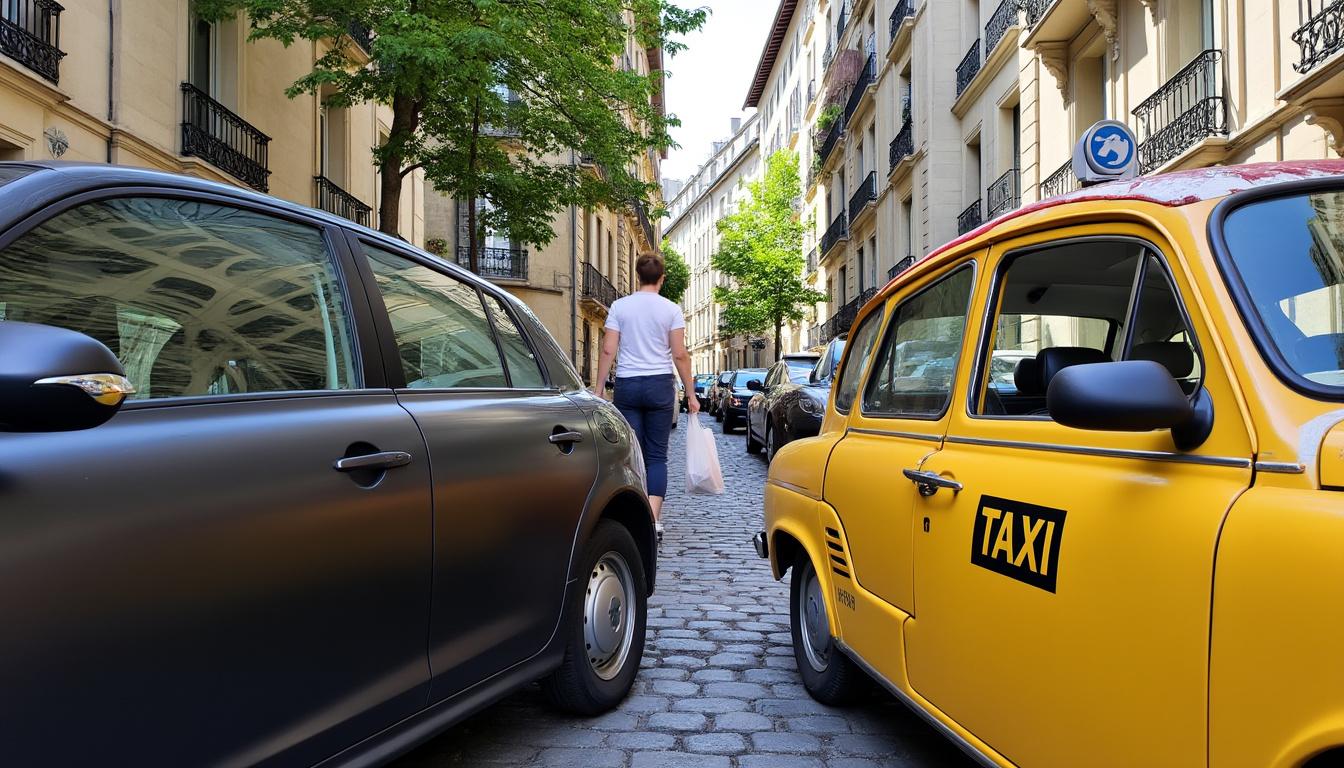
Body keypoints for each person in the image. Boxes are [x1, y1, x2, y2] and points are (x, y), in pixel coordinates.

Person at [594, 254, 699, 539]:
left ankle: (635, 516)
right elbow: (679, 354)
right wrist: (691, 394)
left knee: (632, 454)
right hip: (659, 386)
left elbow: (607, 349)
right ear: (662, 278)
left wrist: (599, 387)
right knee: (656, 456)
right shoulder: (671, 310)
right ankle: (652, 520)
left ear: (637, 276)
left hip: (627, 385)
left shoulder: (619, 307)